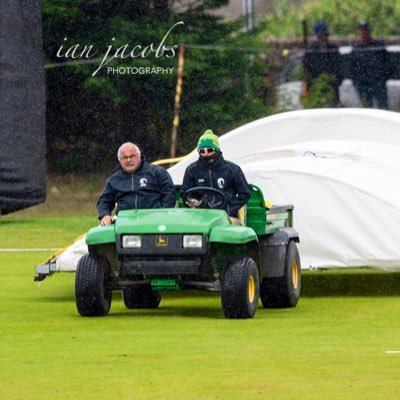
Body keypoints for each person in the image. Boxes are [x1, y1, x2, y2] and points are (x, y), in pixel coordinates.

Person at [180, 130, 251, 224]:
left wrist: (229, 209)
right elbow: (184, 193)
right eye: (202, 151)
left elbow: (245, 193)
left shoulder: (232, 169)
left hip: (226, 214)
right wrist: (190, 201)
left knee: (230, 226)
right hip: (199, 215)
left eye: (209, 150)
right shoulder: (192, 170)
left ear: (216, 149)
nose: (206, 154)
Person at [97, 142, 176, 225]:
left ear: (139, 156)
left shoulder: (157, 172)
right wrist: (105, 215)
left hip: (154, 221)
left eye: (132, 156)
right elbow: (104, 201)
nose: (128, 160)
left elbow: (169, 193)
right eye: (125, 157)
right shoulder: (113, 180)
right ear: (119, 160)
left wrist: (162, 213)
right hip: (125, 223)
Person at [350, 21, 389, 109]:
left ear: (369, 31)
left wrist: (383, 77)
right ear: (358, 32)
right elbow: (352, 67)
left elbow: (386, 62)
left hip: (378, 81)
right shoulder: (355, 48)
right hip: (362, 83)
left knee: (383, 107)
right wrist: (356, 81)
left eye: (365, 30)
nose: (363, 32)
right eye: (361, 30)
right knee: (366, 108)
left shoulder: (378, 45)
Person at [303, 21, 343, 106]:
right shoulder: (311, 50)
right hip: (317, 88)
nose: (323, 38)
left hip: (332, 88)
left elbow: (339, 67)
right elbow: (307, 69)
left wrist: (335, 79)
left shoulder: (333, 49)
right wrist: (315, 81)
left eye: (325, 35)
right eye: (321, 35)